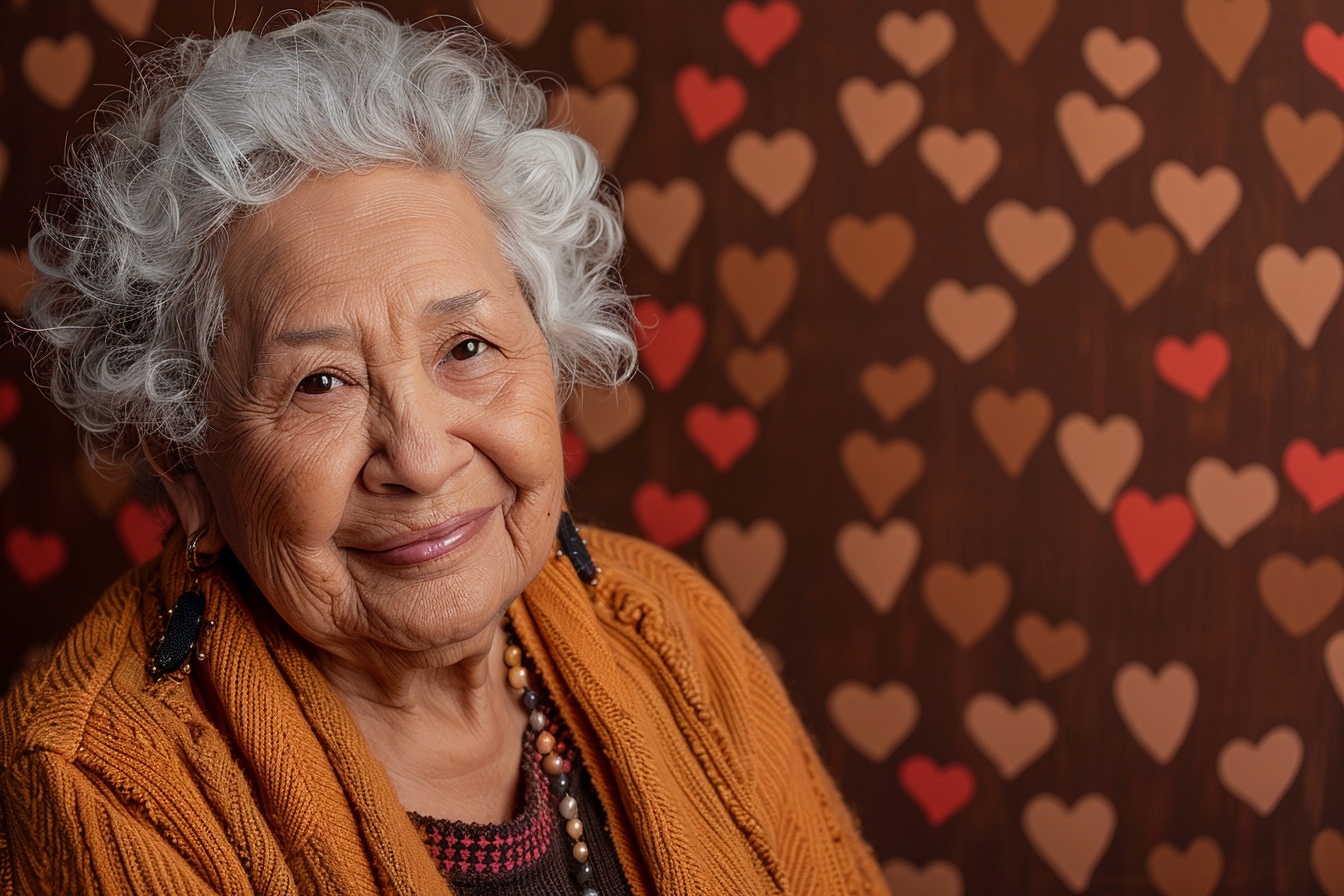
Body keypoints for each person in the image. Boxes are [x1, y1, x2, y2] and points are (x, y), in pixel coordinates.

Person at [0, 7, 888, 895]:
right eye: (321, 383)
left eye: (467, 348)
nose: (421, 459)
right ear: (186, 463)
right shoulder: (102, 787)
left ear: (550, 360)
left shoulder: (676, 634)